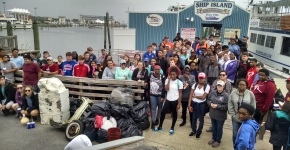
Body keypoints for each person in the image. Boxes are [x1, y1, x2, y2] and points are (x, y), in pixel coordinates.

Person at [154, 66, 183, 135]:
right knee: (163, 112)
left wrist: (179, 103)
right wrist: (169, 80)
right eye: (171, 74)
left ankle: (172, 127)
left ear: (176, 75)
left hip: (175, 100)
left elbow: (180, 93)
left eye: (174, 74)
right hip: (168, 99)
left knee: (174, 114)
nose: (172, 76)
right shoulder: (167, 80)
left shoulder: (179, 82)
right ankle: (160, 126)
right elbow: (166, 89)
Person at [228, 79, 256, 145]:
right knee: (235, 134)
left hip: (247, 118)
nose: (241, 86)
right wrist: (234, 115)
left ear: (246, 86)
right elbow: (230, 104)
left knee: (245, 134)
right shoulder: (233, 93)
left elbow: (253, 105)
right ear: (237, 85)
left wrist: (250, 116)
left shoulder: (250, 94)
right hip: (236, 118)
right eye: (240, 84)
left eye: (243, 85)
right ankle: (235, 147)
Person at [251, 69, 276, 140]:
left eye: (262, 75)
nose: (260, 76)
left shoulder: (270, 85)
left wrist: (263, 109)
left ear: (267, 76)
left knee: (256, 124)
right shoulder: (257, 81)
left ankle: (253, 138)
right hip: (253, 106)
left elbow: (269, 99)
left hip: (260, 108)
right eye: (259, 75)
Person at [188, 72, 210, 139]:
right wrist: (189, 105)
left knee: (201, 119)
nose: (201, 79)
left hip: (202, 104)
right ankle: (194, 131)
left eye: (202, 78)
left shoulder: (207, 86)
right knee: (194, 118)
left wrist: (195, 96)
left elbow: (204, 97)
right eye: (200, 78)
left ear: (204, 78)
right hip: (194, 104)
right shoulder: (195, 85)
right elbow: (191, 95)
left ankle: (199, 131)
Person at [207, 80, 229, 148]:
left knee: (219, 128)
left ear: (223, 87)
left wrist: (218, 106)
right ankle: (214, 138)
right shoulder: (213, 92)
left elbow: (227, 106)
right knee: (214, 127)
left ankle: (218, 140)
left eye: (220, 85)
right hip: (213, 114)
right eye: (218, 85)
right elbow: (208, 99)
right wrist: (210, 104)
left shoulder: (226, 95)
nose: (219, 86)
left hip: (220, 116)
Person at [145, 64, 165, 129]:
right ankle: (153, 122)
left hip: (160, 95)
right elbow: (146, 80)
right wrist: (145, 82)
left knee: (160, 108)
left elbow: (164, 87)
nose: (157, 71)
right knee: (153, 109)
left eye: (158, 70)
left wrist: (163, 96)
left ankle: (157, 119)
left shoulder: (162, 76)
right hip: (152, 95)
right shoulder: (150, 75)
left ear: (160, 70)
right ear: (154, 69)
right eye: (156, 69)